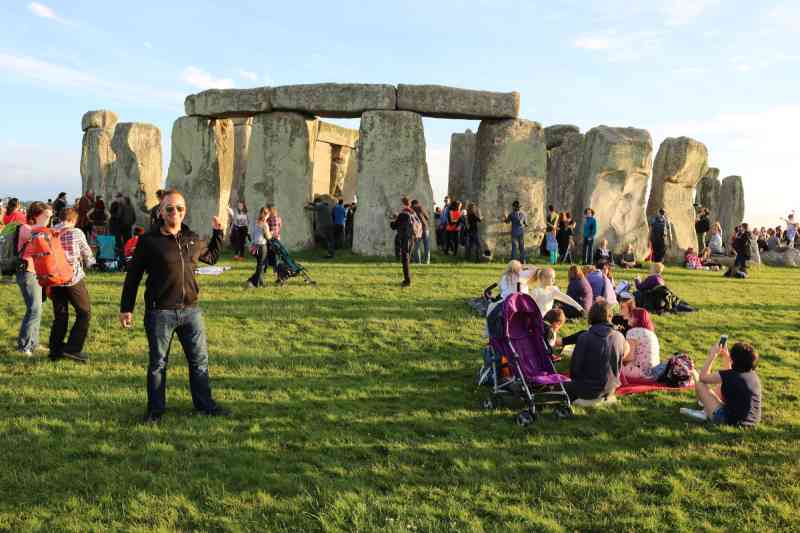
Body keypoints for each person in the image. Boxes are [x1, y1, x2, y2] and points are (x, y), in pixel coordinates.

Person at [119, 189, 227, 423]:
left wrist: (218, 233)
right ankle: (155, 412)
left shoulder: (191, 238)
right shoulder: (149, 241)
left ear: (184, 211)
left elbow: (211, 257)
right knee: (158, 364)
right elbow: (133, 277)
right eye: (169, 208)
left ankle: (205, 405)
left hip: (191, 311)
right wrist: (126, 308)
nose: (175, 212)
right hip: (160, 312)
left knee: (199, 362)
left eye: (179, 208)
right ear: (161, 211)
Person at [50, 208, 95, 363]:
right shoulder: (76, 232)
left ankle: (55, 350)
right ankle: (73, 349)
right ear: (73, 220)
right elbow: (87, 253)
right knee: (84, 312)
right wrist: (91, 263)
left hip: (53, 278)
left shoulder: (50, 232)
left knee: (60, 315)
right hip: (72, 278)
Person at [685, 340, 762, 426]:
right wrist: (726, 355)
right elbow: (728, 375)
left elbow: (702, 378)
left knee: (699, 382)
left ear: (733, 359)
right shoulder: (752, 375)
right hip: (752, 421)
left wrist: (712, 355)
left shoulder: (730, 375)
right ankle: (705, 409)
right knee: (722, 385)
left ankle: (705, 409)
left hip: (729, 421)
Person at [564, 300, 628, 402]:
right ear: (610, 316)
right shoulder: (620, 336)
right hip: (611, 388)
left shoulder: (584, 337)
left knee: (553, 387)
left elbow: (575, 369)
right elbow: (619, 366)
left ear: (591, 316)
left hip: (587, 390)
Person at [15, 201, 52, 356]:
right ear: (36, 215)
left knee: (38, 308)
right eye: (46, 216)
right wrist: (46, 229)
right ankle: (24, 346)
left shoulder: (40, 229)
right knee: (34, 309)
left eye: (50, 216)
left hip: (37, 272)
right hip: (28, 272)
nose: (49, 219)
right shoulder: (26, 228)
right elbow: (37, 237)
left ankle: (33, 343)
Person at [622, 308, 662, 382]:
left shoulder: (632, 332)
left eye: (630, 316)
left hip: (640, 373)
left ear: (636, 319)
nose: (628, 318)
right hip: (654, 372)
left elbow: (629, 357)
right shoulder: (652, 334)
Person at [390, 197, 414, 287]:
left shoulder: (403, 214)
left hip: (405, 239)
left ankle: (407, 281)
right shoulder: (412, 212)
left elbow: (394, 226)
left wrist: (393, 219)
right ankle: (407, 279)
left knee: (405, 260)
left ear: (402, 204)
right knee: (407, 260)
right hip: (412, 238)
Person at [245, 207, 272, 289]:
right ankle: (255, 283)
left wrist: (251, 243)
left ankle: (260, 282)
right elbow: (268, 237)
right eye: (268, 215)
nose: (268, 216)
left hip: (254, 247)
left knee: (261, 265)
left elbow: (250, 234)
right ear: (266, 215)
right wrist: (272, 233)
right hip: (262, 247)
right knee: (261, 266)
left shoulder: (254, 222)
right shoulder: (265, 224)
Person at [411, 199, 431, 264]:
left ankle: (418, 261)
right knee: (426, 245)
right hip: (425, 228)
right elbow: (427, 217)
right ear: (417, 203)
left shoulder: (412, 210)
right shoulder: (421, 208)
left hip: (418, 230)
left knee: (417, 246)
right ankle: (427, 261)